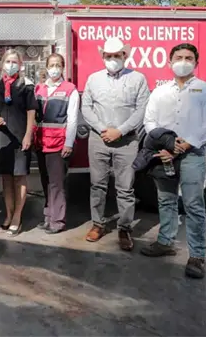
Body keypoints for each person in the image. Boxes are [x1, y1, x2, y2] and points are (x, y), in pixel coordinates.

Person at [140, 43, 206, 279]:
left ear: (196, 63)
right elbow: (150, 121)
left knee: (193, 204)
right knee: (166, 200)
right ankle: (165, 241)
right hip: (164, 155)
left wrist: (184, 145)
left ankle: (197, 256)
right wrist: (166, 144)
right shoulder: (160, 92)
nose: (183, 61)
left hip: (192, 155)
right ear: (170, 62)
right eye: (178, 57)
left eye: (188, 58)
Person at [81, 37, 150, 251]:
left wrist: (120, 131)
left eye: (117, 55)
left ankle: (124, 229)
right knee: (97, 185)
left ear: (124, 56)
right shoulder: (93, 79)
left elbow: (141, 110)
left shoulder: (138, 79)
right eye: (109, 56)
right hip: (98, 138)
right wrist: (103, 129)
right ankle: (97, 224)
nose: (113, 59)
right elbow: (86, 108)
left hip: (127, 141)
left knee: (125, 188)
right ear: (103, 57)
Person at [0, 49, 37, 236]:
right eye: (8, 61)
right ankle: (9, 214)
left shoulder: (26, 86)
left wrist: (28, 135)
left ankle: (18, 217)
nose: (10, 65)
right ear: (2, 64)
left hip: (20, 137)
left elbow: (31, 112)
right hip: (3, 139)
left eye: (14, 62)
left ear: (20, 65)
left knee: (19, 177)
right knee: (6, 178)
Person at [34, 53, 79, 234]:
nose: (54, 68)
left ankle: (58, 220)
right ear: (46, 67)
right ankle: (48, 216)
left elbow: (73, 119)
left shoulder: (70, 90)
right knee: (45, 181)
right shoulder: (39, 88)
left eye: (58, 65)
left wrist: (69, 143)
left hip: (59, 144)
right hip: (41, 143)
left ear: (63, 68)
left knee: (56, 183)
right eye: (52, 65)